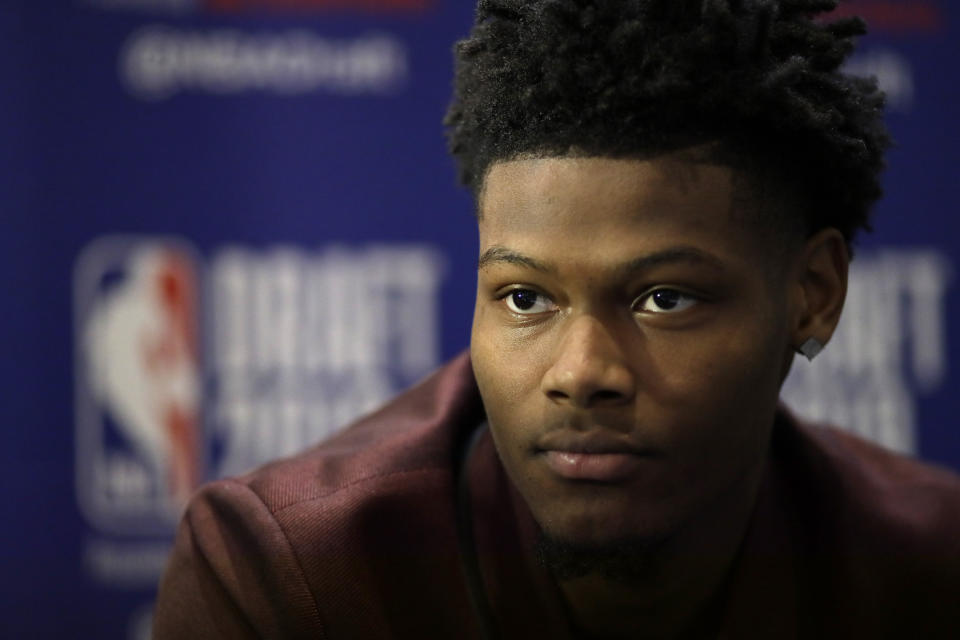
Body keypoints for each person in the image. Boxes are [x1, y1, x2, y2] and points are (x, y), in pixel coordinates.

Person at [153, 1, 960, 638]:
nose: (580, 374)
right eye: (525, 298)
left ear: (813, 292)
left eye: (664, 300)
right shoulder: (289, 575)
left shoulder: (932, 567)